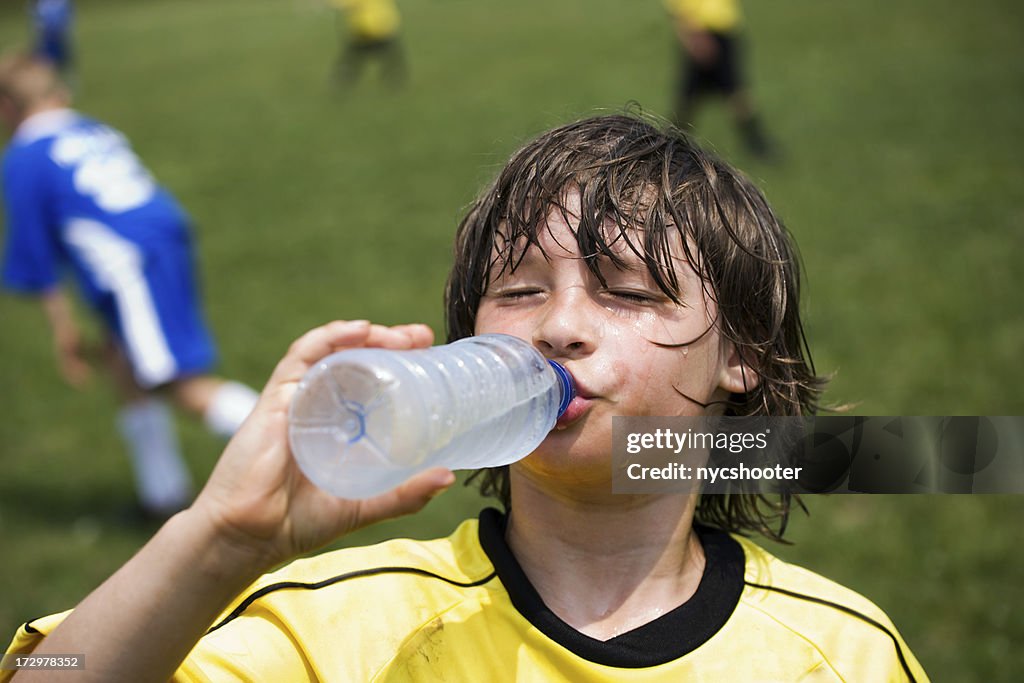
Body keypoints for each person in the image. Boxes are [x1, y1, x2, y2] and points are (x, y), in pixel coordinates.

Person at [1, 113, 928, 681]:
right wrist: (217, 542)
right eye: (519, 290)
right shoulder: (341, 629)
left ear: (745, 358)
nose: (559, 325)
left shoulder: (841, 653)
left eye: (630, 290)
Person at [0, 53, 259, 519]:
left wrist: (63, 331)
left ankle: (311, 447)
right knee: (124, 361)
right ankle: (162, 495)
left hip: (130, 263)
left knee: (177, 382)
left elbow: (37, 255)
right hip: (161, 238)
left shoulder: (24, 156)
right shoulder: (90, 128)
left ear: (6, 107)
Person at [665, 0, 775, 159]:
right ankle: (757, 144)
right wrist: (694, 37)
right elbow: (680, 8)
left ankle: (668, 145)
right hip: (704, 35)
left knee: (696, 97)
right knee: (726, 94)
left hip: (722, 33)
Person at [331, 0, 407, 88]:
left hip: (366, 32)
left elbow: (343, 4)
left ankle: (341, 81)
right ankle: (395, 81)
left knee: (352, 61)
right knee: (392, 59)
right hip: (382, 30)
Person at [29, 0, 74, 81]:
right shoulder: (40, 4)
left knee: (64, 59)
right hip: (46, 37)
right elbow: (36, 20)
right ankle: (48, 80)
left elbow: (68, 16)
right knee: (46, 61)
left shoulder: (62, 3)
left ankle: (69, 79)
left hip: (60, 36)